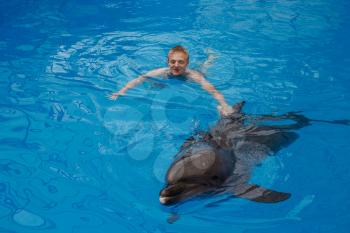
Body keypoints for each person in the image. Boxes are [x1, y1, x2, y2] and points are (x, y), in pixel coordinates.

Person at [109, 45, 233, 115]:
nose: (176, 65)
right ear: (168, 62)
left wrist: (224, 104)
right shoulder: (160, 72)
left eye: (181, 62)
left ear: (187, 63)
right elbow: (139, 79)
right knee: (152, 83)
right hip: (166, 81)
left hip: (190, 77)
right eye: (172, 62)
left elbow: (213, 91)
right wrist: (122, 91)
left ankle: (211, 58)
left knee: (203, 69)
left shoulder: (193, 76)